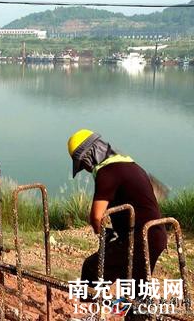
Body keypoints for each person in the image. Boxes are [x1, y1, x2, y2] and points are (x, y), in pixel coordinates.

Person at [68, 129, 167, 305]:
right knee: (136, 289)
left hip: (139, 238)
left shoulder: (107, 173)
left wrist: (105, 234)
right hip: (155, 235)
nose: (86, 168)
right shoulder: (130, 164)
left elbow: (97, 216)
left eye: (83, 164)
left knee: (92, 269)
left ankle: (89, 313)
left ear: (90, 154)